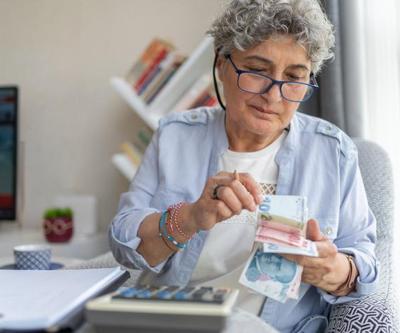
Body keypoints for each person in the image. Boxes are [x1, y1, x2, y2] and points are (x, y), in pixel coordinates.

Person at [109, 0, 379, 331]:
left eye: (294, 77)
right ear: (221, 65)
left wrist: (332, 268)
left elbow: (365, 264)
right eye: (257, 71)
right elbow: (124, 244)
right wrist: (190, 217)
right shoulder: (175, 136)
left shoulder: (333, 152)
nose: (274, 95)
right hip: (174, 322)